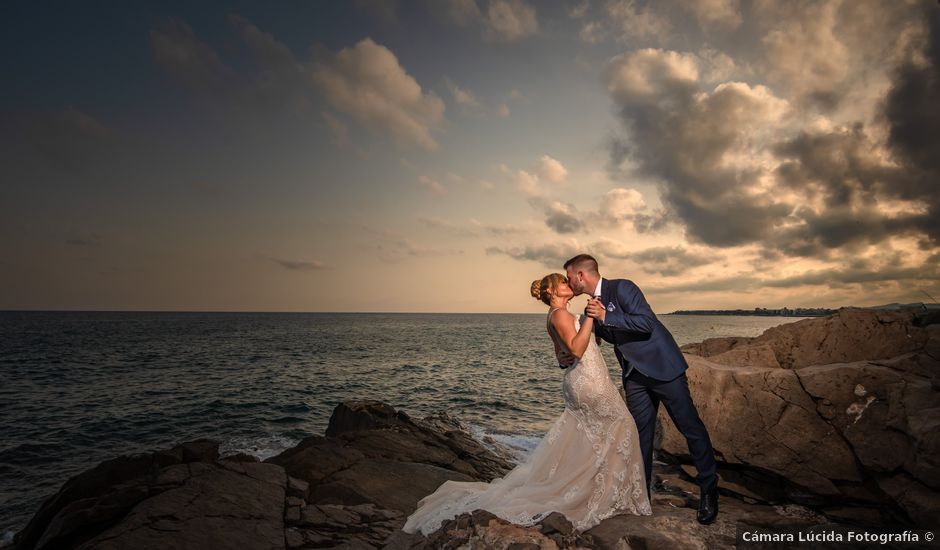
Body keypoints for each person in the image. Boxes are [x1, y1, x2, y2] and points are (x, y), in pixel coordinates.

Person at [402, 273, 651, 536]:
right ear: (553, 291)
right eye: (564, 283)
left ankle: (601, 491)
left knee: (594, 439)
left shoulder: (558, 315)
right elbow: (576, 351)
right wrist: (589, 317)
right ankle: (605, 496)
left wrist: (589, 333)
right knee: (623, 426)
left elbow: (566, 352)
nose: (570, 285)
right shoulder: (560, 314)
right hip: (589, 382)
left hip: (583, 379)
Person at [563, 253, 719, 524]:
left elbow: (646, 322)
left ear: (580, 276)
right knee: (639, 436)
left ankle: (709, 489)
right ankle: (641, 493)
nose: (568, 283)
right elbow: (594, 338)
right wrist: (584, 341)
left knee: (689, 427)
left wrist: (605, 316)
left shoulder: (623, 287)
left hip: (663, 368)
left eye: (569, 278)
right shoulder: (591, 306)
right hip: (634, 376)